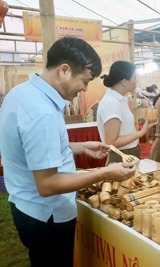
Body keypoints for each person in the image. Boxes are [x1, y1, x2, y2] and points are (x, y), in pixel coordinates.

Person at [0, 37, 137, 267]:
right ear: (64, 70)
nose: (84, 89)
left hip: (26, 206)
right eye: (84, 81)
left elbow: (32, 149)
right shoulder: (41, 111)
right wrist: (105, 174)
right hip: (46, 215)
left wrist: (79, 147)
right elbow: (48, 184)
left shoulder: (21, 93)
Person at [97, 61, 157, 164]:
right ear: (124, 81)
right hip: (121, 155)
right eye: (134, 78)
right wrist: (141, 132)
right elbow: (112, 142)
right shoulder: (111, 103)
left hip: (129, 152)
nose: (136, 81)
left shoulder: (120, 99)